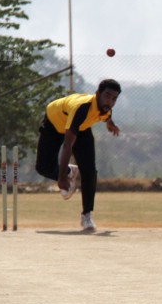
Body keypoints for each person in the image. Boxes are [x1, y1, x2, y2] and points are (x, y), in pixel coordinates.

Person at [34, 79, 121, 232]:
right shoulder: (82, 108)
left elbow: (107, 115)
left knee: (89, 170)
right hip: (54, 124)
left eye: (114, 98)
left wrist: (110, 124)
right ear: (98, 94)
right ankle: (69, 172)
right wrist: (61, 178)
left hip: (81, 128)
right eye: (107, 96)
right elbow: (68, 145)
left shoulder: (106, 108)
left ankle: (87, 215)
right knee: (43, 168)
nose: (110, 101)